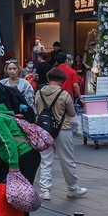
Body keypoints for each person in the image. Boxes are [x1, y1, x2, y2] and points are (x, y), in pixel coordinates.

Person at [35, 68, 86, 201]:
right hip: (63, 130)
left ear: (48, 79)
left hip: (44, 130)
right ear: (62, 81)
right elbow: (72, 114)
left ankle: (45, 191)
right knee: (67, 160)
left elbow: (37, 109)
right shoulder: (64, 95)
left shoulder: (39, 93)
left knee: (46, 160)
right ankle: (72, 188)